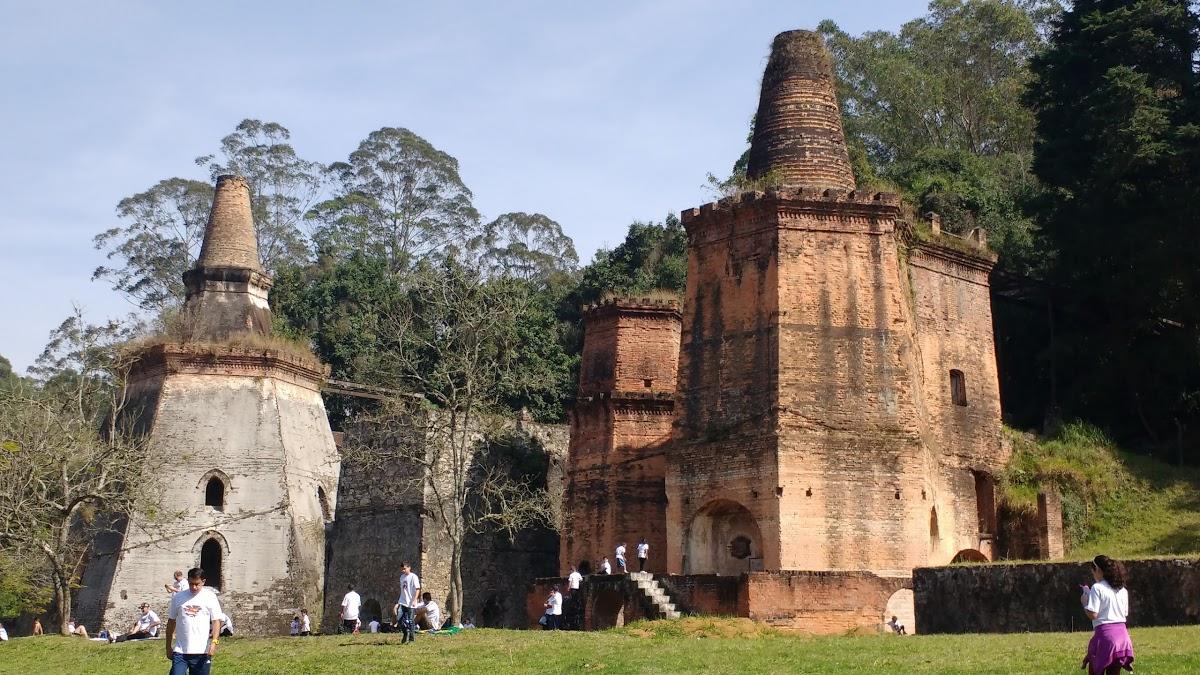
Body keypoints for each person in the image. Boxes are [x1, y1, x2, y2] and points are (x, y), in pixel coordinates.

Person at [1081, 555, 1134, 675]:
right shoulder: (1122, 590)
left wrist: (1085, 603)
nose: (1093, 576)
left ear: (1098, 570)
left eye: (1093, 572)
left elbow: (1093, 614)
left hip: (1105, 637)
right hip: (1122, 637)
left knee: (1095, 671)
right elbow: (1124, 613)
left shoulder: (1097, 588)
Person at [165, 567, 222, 675]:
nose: (194, 587)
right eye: (191, 584)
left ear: (203, 582)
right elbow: (171, 622)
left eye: (197, 584)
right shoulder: (178, 597)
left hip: (202, 652)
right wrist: (168, 647)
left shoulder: (210, 597)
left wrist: (214, 642)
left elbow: (216, 621)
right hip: (181, 651)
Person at [395, 561, 421, 644]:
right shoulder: (401, 577)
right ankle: (405, 633)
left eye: (404, 569)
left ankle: (411, 639)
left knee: (410, 621)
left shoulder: (413, 577)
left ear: (409, 568)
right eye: (402, 569)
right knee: (399, 619)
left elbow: (417, 589)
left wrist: (414, 600)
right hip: (402, 602)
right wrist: (398, 602)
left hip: (411, 603)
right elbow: (403, 590)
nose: (403, 570)